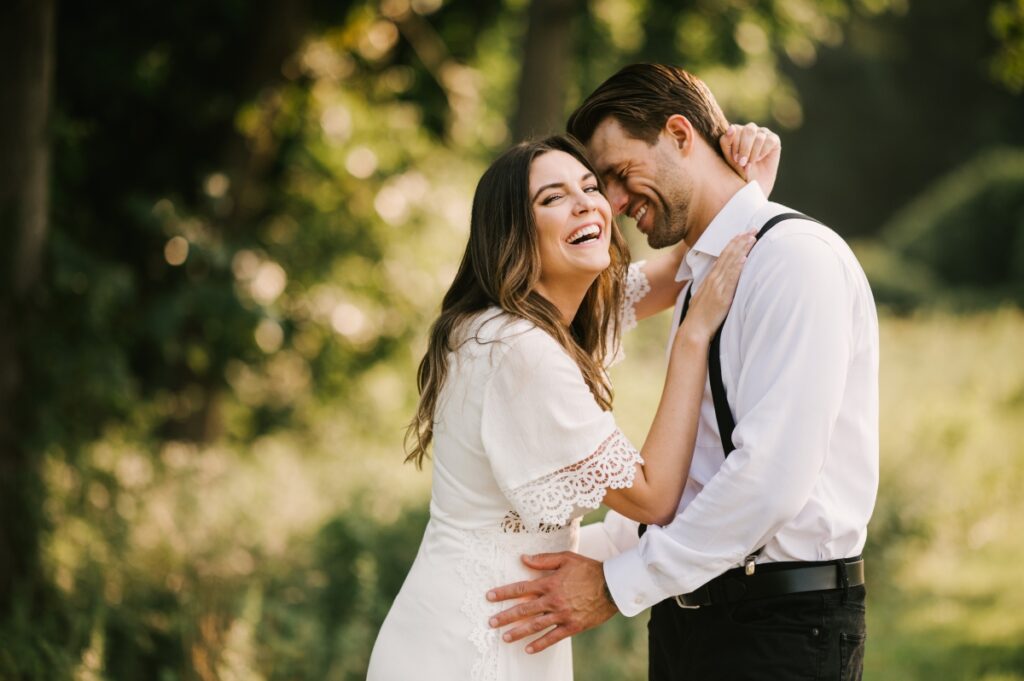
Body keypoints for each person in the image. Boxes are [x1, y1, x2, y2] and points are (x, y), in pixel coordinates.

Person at [487, 63, 879, 681]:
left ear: (678, 133)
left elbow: (769, 480)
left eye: (618, 174)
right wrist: (588, 557)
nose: (612, 204)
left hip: (779, 628)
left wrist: (618, 584)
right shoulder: (705, 276)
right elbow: (702, 467)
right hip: (689, 619)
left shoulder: (795, 261)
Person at [365, 124, 781, 681]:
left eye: (590, 188)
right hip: (468, 650)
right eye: (553, 197)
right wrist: (690, 341)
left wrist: (742, 194)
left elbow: (681, 269)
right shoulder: (519, 351)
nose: (586, 205)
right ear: (513, 231)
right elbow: (654, 497)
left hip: (506, 628)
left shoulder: (514, 323)